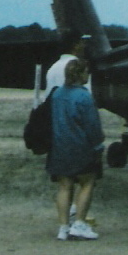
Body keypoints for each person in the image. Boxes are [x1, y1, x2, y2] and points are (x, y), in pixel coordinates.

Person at [47, 57, 104, 240]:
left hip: (59, 146)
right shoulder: (84, 97)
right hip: (81, 147)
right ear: (80, 74)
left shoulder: (57, 95)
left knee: (65, 186)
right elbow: (92, 126)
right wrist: (98, 146)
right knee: (87, 183)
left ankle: (63, 227)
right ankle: (79, 222)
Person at [46, 30, 92, 94]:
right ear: (76, 46)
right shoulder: (80, 67)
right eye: (82, 42)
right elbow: (86, 98)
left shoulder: (52, 69)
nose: (84, 46)